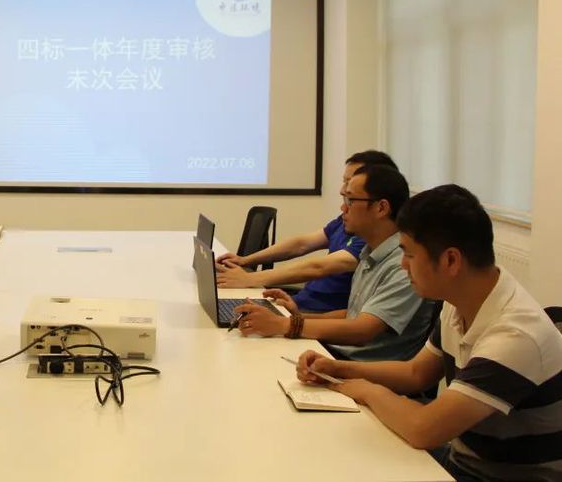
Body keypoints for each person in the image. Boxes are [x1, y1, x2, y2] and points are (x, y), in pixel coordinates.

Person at [295, 185, 562, 481]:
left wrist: (364, 389)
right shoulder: (461, 300)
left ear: (450, 261)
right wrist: (338, 369)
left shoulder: (515, 336)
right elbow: (416, 373)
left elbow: (423, 429)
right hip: (461, 461)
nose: (403, 265)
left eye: (409, 254)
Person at [236, 164, 434, 362]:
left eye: (350, 200)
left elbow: (363, 330)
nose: (343, 208)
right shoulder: (370, 252)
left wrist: (284, 324)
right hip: (338, 353)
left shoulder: (402, 264)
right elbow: (353, 314)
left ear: (381, 208)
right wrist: (292, 316)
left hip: (358, 366)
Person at [217, 150, 398, 312]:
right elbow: (301, 244)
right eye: (344, 182)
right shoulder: (348, 219)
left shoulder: (369, 234)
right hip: (300, 305)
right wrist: (246, 260)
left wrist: (250, 278)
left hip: (318, 312)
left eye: (350, 183)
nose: (343, 190)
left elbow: (318, 267)